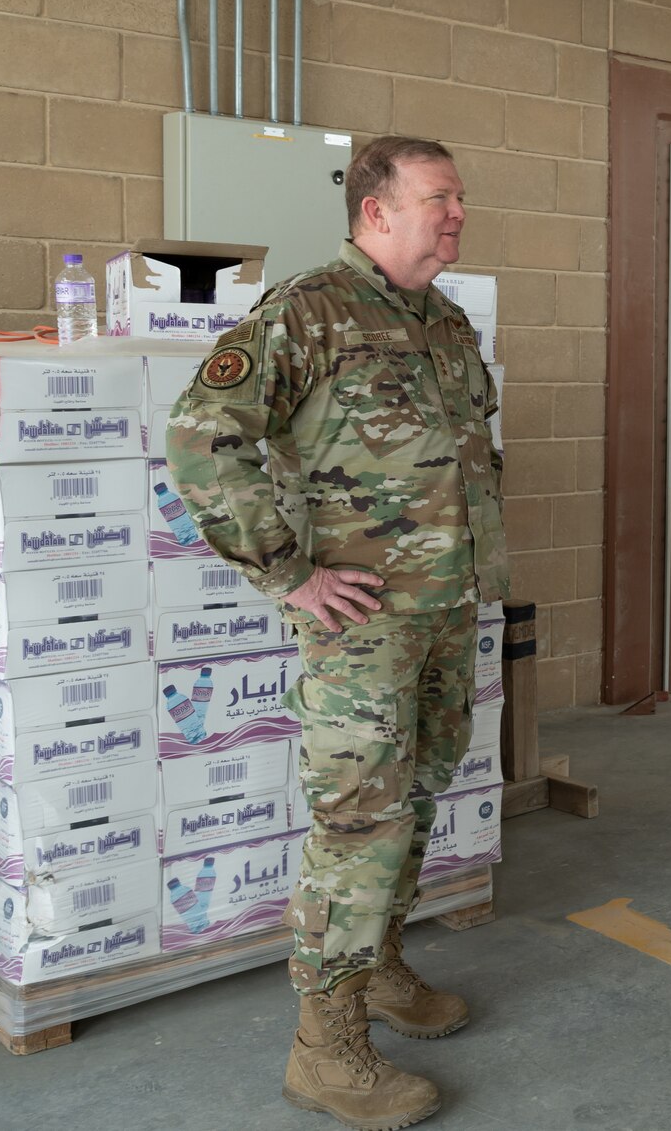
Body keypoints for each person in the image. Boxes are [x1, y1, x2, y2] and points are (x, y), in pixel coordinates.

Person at [168, 135, 509, 1130]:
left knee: (415, 796)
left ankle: (382, 964)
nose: (454, 214)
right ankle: (325, 1044)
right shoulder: (310, 310)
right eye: (437, 198)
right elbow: (202, 437)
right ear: (375, 211)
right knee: (359, 818)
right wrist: (287, 571)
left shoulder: (442, 323)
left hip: (443, 612)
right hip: (363, 627)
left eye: (458, 198)